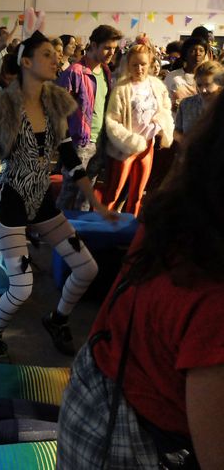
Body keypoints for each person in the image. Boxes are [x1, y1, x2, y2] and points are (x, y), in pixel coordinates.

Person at [57, 91, 224, 470]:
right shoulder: (211, 290)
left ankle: (54, 318)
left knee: (87, 268)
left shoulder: (178, 209)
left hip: (99, 391)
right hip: (118, 422)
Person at [0, 31, 117, 363]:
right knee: (21, 288)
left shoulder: (55, 103)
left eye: (57, 54)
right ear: (26, 62)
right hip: (12, 202)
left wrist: (96, 206)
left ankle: (57, 320)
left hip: (43, 203)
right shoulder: (3, 109)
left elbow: (70, 163)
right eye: (48, 55)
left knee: (87, 269)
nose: (57, 59)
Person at [56, 25, 123, 211]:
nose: (111, 52)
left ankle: (79, 232)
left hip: (99, 141)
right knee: (69, 190)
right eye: (107, 47)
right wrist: (66, 143)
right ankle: (51, 233)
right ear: (93, 45)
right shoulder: (74, 72)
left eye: (114, 48)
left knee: (87, 193)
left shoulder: (106, 72)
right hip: (79, 143)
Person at [103, 44, 174, 216]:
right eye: (134, 64)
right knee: (114, 191)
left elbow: (165, 110)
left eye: (143, 64)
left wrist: (159, 125)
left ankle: (129, 230)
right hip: (125, 148)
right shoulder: (121, 89)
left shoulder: (157, 86)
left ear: (149, 64)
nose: (139, 68)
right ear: (128, 65)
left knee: (137, 192)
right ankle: (102, 225)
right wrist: (129, 140)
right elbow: (111, 120)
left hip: (147, 147)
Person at [174, 61, 223, 142]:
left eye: (208, 85)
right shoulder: (186, 104)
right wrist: (185, 142)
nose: (203, 90)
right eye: (199, 85)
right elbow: (177, 131)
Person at [164, 37, 209, 114]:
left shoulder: (209, 77)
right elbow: (162, 100)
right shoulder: (173, 77)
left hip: (202, 122)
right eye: (193, 50)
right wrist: (171, 105)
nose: (198, 54)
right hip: (177, 122)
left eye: (201, 50)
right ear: (185, 54)